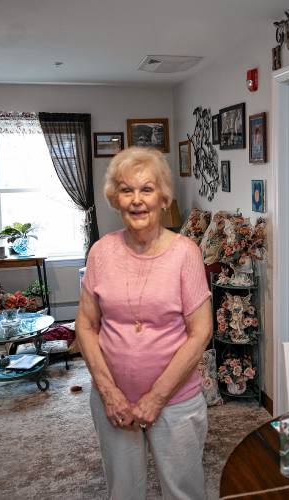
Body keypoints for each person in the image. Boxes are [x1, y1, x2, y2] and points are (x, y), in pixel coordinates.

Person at [76, 146, 212, 500]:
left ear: (163, 198)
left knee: (184, 492)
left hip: (176, 401)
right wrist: (109, 393)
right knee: (124, 492)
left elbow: (200, 333)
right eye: (127, 190)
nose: (137, 200)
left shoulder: (186, 253)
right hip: (113, 402)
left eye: (147, 189)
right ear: (115, 198)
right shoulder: (101, 252)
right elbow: (86, 326)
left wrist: (155, 398)